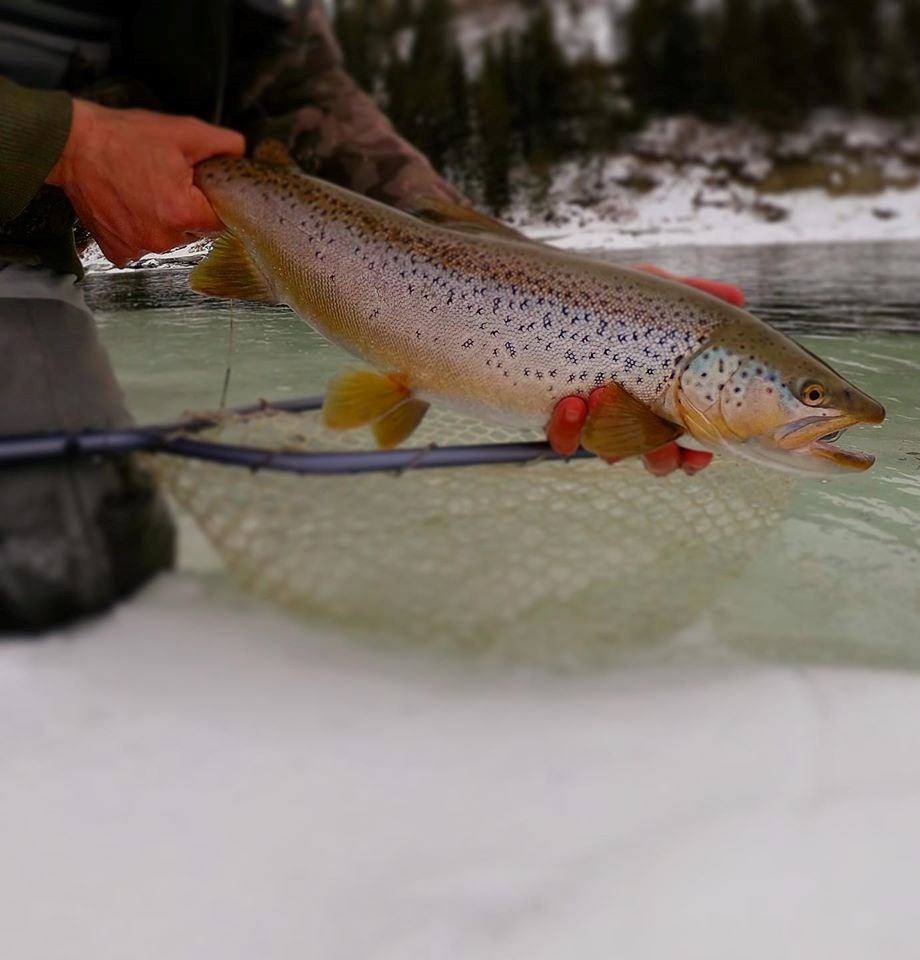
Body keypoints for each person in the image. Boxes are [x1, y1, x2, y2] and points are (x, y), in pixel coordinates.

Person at [0, 0, 739, 633]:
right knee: (45, 568)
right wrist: (63, 141)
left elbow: (287, 80)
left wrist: (531, 277)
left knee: (85, 559)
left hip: (20, 246)